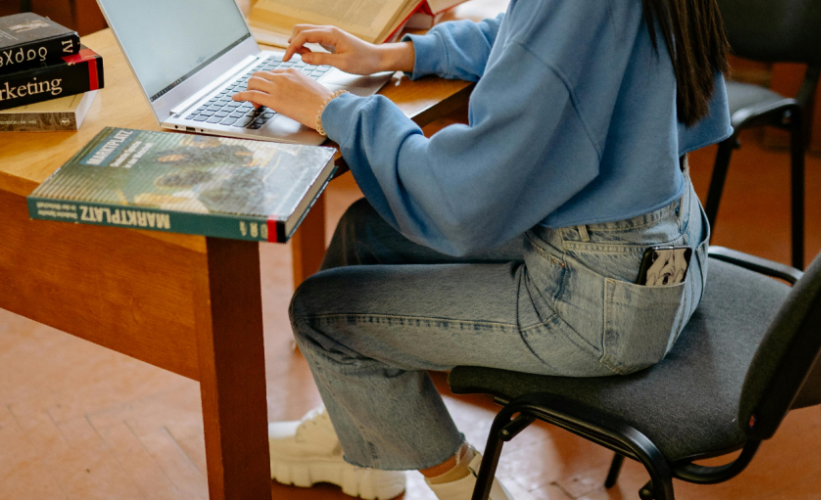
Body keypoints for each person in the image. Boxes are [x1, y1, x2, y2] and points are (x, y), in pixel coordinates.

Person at [233, 0, 731, 498]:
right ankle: (363, 434)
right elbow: (529, 39)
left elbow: (462, 198)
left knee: (321, 317)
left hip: (600, 305)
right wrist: (393, 55)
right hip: (663, 249)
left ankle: (468, 486)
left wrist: (331, 110)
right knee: (366, 232)